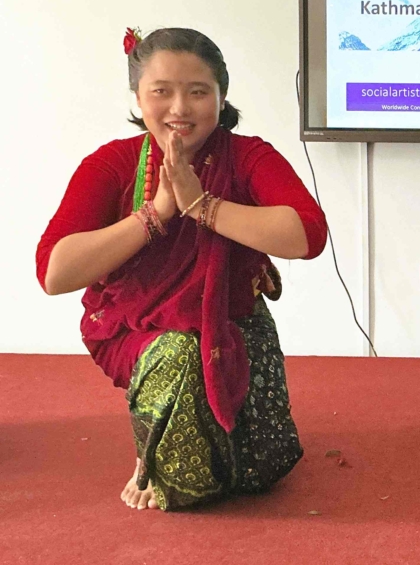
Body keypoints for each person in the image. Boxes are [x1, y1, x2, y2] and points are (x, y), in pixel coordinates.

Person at [36, 27, 327, 511]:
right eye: (161, 92)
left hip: (233, 322)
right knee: (181, 355)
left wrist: (202, 205)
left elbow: (307, 235)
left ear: (221, 96)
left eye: (197, 92)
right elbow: (54, 271)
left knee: (258, 472)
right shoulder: (113, 164)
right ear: (137, 96)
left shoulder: (248, 156)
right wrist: (156, 214)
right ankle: (151, 453)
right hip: (139, 329)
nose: (179, 108)